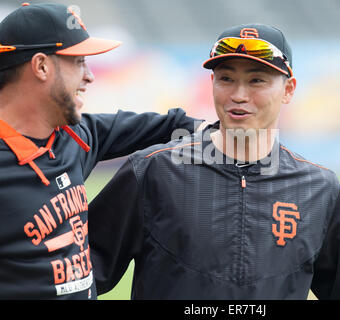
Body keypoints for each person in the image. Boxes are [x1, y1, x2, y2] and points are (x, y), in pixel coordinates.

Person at [89, 23, 340, 300]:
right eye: (226, 79)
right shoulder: (153, 171)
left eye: (256, 80)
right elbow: (75, 279)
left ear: (288, 90)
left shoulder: (319, 189)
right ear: (211, 83)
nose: (238, 94)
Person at [0, 3, 201, 299]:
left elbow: (175, 125)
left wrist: (236, 138)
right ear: (41, 66)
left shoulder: (77, 137)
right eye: (79, 62)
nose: (90, 76)